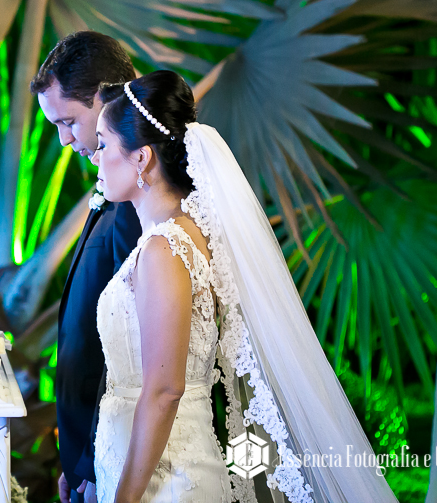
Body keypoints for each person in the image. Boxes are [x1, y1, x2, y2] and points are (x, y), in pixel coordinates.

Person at [90, 70, 399, 503]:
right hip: (152, 461)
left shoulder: (165, 248)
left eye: (103, 144)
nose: (94, 157)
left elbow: (164, 390)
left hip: (165, 479)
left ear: (141, 158)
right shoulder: (186, 235)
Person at [31, 32, 143, 503]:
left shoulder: (140, 204)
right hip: (87, 450)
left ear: (103, 97)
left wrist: (92, 462)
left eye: (68, 122)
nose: (64, 140)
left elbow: (131, 351)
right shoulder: (116, 189)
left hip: (112, 450)